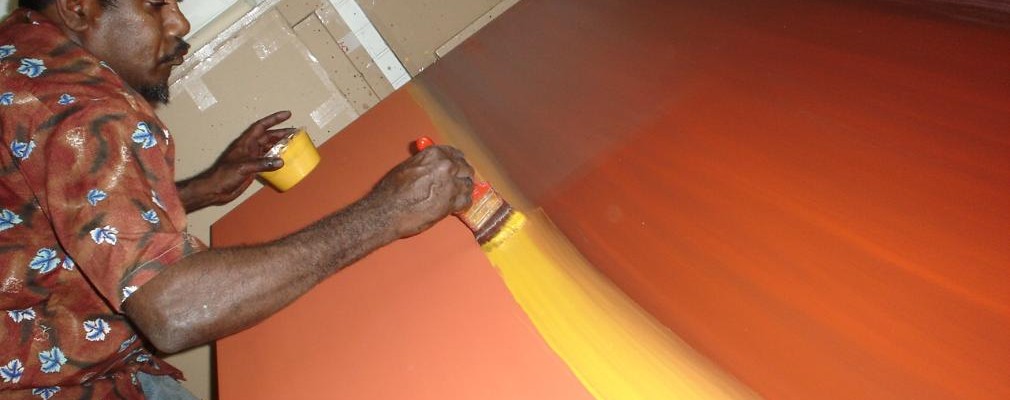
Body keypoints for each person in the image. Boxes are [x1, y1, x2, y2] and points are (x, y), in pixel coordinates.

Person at [0, 0, 475, 398]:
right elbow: (174, 311)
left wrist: (201, 188)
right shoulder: (87, 113)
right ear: (77, 7)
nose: (179, 23)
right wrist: (387, 212)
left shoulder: (19, 53)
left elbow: (59, 218)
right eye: (155, 4)